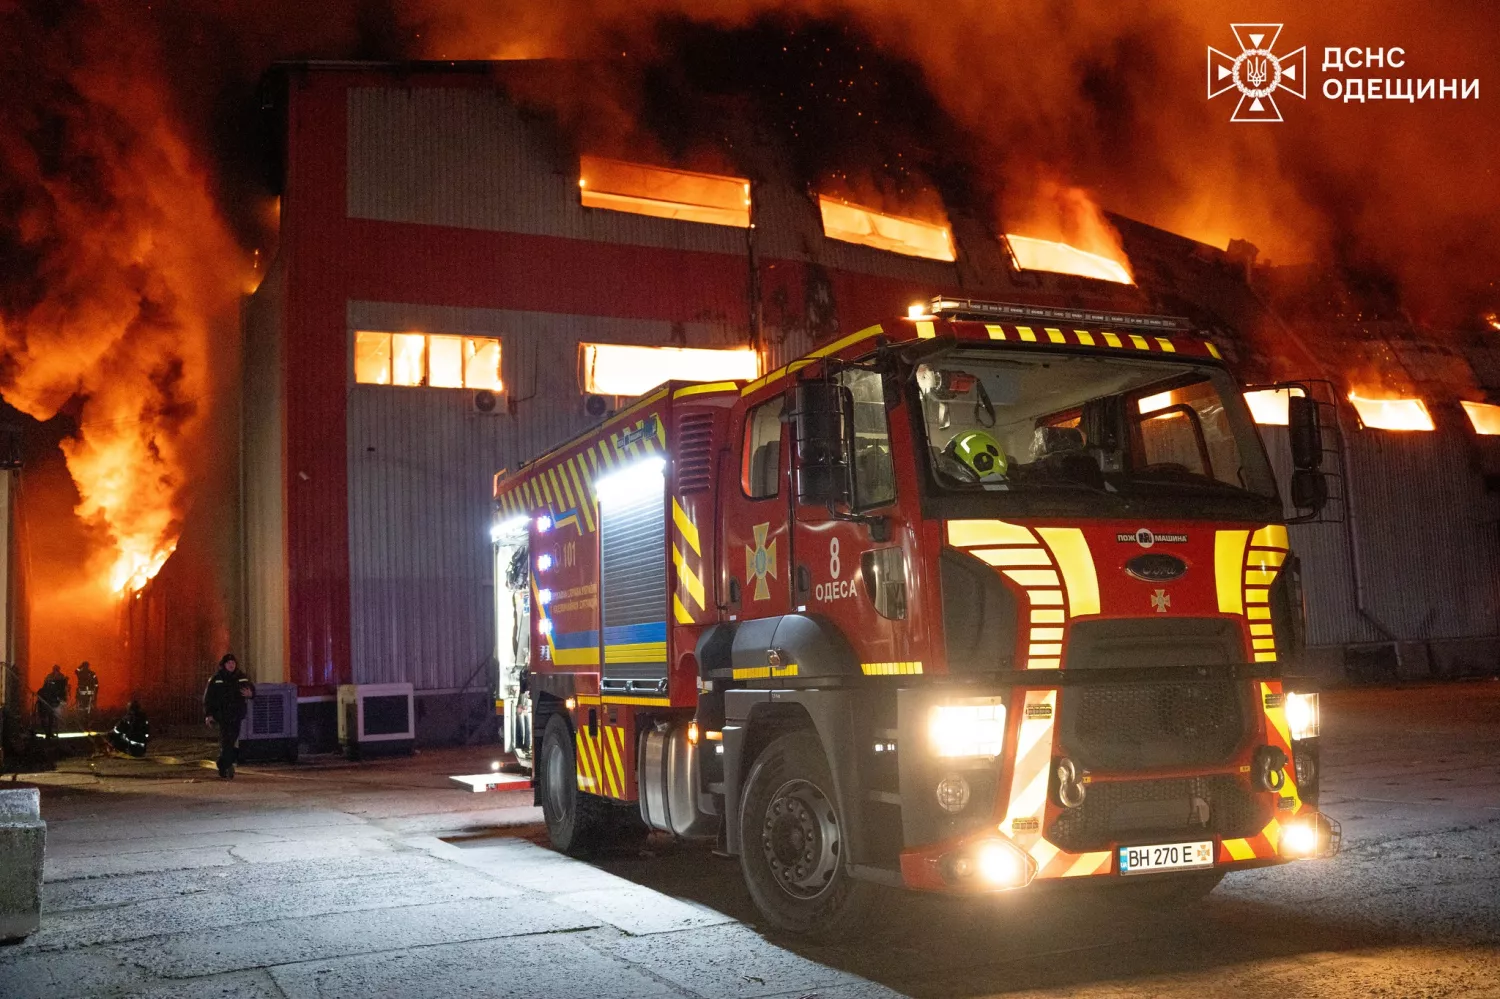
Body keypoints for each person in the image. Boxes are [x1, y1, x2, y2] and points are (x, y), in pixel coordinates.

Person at [203, 653, 254, 779]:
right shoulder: (216, 678)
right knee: (227, 740)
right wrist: (209, 714)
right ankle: (226, 765)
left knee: (231, 740)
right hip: (223, 715)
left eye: (233, 663)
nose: (231, 665)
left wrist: (251, 694)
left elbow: (251, 689)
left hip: (237, 714)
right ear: (224, 665)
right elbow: (208, 698)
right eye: (229, 663)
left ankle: (223, 764)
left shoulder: (241, 677)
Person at [35, 664, 69, 740]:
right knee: (47, 717)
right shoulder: (50, 677)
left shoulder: (60, 677)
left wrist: (62, 698)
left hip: (53, 701)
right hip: (48, 700)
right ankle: (48, 732)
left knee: (52, 717)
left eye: (57, 669)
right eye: (55, 669)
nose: (56, 671)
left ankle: (50, 732)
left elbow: (63, 689)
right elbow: (45, 687)